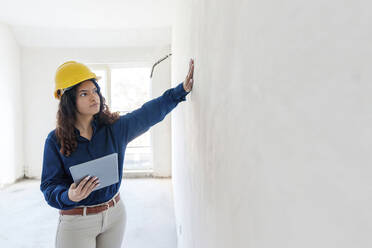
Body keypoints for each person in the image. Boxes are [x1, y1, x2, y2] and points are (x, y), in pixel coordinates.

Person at [40, 59, 194, 248]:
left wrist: (180, 91)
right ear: (69, 101)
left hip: (114, 215)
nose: (94, 97)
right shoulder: (54, 141)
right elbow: (49, 186)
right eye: (84, 93)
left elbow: (147, 113)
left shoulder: (113, 128)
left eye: (95, 90)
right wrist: (69, 196)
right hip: (77, 221)